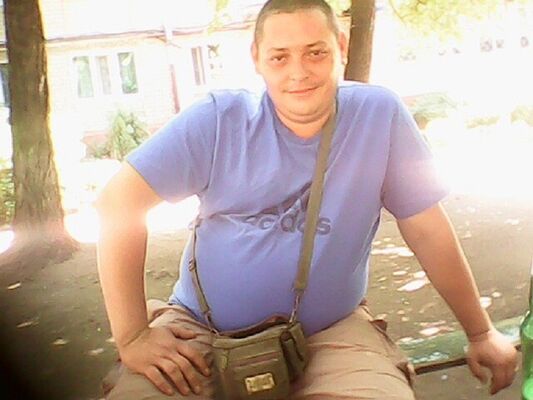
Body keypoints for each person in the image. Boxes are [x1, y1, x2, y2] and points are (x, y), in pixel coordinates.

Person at [96, 1, 518, 399]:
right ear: (257, 59)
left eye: (315, 52)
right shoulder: (217, 120)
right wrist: (133, 335)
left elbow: (426, 228)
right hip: (199, 329)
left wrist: (480, 333)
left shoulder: (379, 115)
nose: (298, 72)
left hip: (331, 333)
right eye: (280, 57)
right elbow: (118, 204)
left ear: (341, 47)